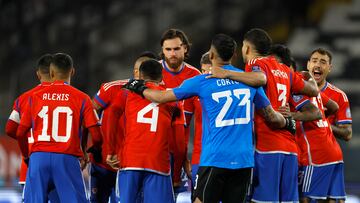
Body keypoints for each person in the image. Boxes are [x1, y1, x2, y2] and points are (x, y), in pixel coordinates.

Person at [124, 34, 295, 203]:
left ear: (211, 55)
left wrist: (138, 87)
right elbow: (272, 117)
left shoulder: (202, 81)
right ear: (234, 55)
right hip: (244, 160)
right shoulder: (250, 81)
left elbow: (161, 97)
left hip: (215, 158)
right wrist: (289, 121)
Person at [207, 29, 319, 203]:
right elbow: (313, 90)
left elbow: (260, 79)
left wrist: (226, 73)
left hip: (268, 145)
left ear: (247, 48)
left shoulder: (254, 63)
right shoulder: (284, 69)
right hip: (290, 149)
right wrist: (308, 76)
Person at [16, 53, 103, 203]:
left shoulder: (34, 97)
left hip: (38, 158)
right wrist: (88, 151)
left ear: (51, 73)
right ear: (72, 72)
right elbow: (97, 135)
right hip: (67, 158)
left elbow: (20, 133)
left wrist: (27, 156)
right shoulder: (82, 98)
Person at [90, 51, 158, 203]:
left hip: (131, 165)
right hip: (103, 162)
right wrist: (97, 142)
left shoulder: (159, 95)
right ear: (135, 71)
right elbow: (89, 111)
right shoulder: (113, 88)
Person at [106, 59, 177, 203]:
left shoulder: (126, 94)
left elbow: (109, 115)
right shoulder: (170, 98)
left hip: (131, 159)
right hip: (158, 161)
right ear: (161, 77)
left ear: (140, 76)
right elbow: (179, 136)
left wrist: (111, 150)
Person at [5, 54, 60, 202]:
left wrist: (28, 141)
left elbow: (10, 129)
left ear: (38, 74)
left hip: (33, 164)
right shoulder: (68, 96)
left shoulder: (24, 98)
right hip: (61, 164)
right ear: (56, 72)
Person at [305, 48, 352, 202]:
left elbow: (347, 133)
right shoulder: (296, 90)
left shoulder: (338, 96)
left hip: (327, 158)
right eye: (314, 61)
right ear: (308, 65)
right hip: (303, 157)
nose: (317, 65)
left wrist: (322, 123)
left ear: (329, 68)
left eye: (323, 62)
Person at [159, 28, 201, 191]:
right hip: (154, 149)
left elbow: (202, 120)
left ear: (185, 48)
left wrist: (189, 158)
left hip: (180, 151)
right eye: (168, 49)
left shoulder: (195, 76)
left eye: (176, 49)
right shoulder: (152, 72)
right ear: (162, 51)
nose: (172, 53)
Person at [190, 52, 211, 186]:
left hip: (221, 156)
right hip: (200, 155)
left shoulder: (230, 87)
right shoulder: (195, 89)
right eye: (203, 70)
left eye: (209, 71)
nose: (205, 75)